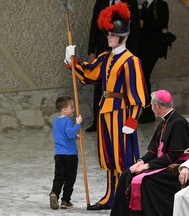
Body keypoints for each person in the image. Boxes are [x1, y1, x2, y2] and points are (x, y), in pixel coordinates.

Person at [64, 2, 146, 210]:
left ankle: (125, 197)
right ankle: (111, 196)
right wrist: (72, 60)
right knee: (109, 157)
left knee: (124, 157)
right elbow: (89, 74)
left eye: (112, 35)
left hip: (121, 113)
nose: (108, 37)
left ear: (123, 37)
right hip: (105, 112)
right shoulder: (106, 57)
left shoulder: (131, 61)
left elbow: (137, 95)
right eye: (108, 34)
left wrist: (132, 119)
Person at [110, 89, 189, 216]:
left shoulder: (178, 123)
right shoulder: (164, 122)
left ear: (157, 106)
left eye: (152, 105)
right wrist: (141, 162)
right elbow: (153, 151)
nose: (151, 108)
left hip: (173, 170)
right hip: (162, 165)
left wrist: (148, 166)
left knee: (145, 182)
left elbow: (173, 156)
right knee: (127, 175)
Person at [86, 0, 140, 132]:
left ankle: (122, 119)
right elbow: (94, 27)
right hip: (103, 50)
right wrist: (91, 52)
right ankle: (97, 120)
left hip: (123, 50)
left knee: (122, 86)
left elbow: (135, 29)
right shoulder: (101, 2)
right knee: (100, 85)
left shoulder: (130, 2)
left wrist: (133, 54)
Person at [137, 0, 169, 124]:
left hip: (152, 48)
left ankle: (148, 111)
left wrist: (145, 24)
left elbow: (162, 23)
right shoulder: (143, 6)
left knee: (144, 76)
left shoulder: (160, 4)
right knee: (142, 78)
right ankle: (147, 110)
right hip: (142, 48)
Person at [49, 96, 83, 210]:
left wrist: (75, 136)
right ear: (64, 110)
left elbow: (62, 135)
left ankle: (54, 193)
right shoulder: (68, 120)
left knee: (59, 177)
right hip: (70, 155)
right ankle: (65, 200)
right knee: (70, 178)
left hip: (59, 155)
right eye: (71, 107)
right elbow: (69, 134)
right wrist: (77, 124)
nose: (73, 110)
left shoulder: (56, 120)